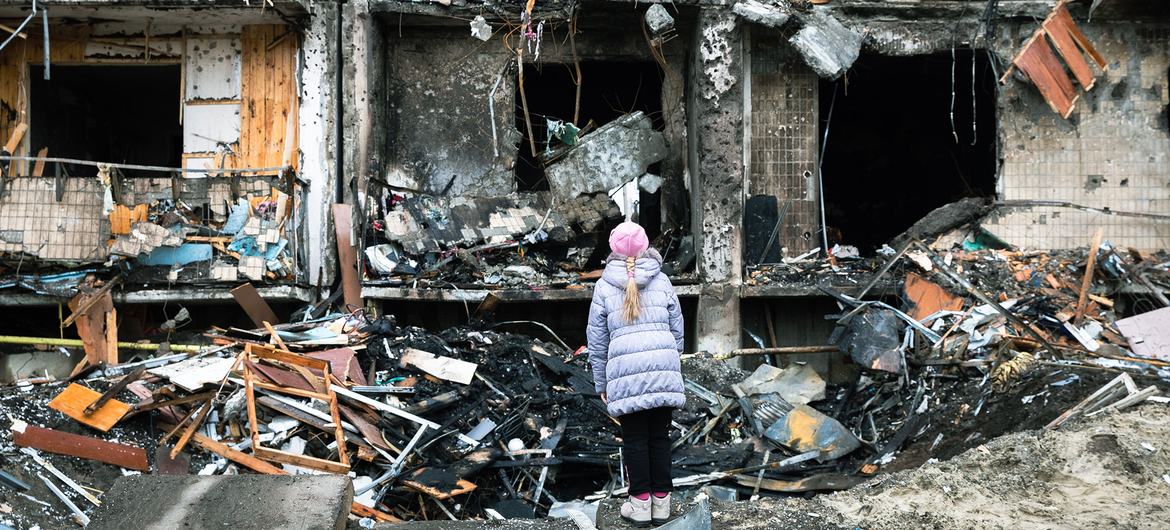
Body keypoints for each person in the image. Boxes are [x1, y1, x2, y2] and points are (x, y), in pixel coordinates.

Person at [587, 221, 685, 527]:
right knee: (660, 436)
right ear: (645, 247)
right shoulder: (663, 281)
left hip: (624, 374)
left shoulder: (604, 285)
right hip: (663, 368)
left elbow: (597, 341)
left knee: (635, 440)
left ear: (613, 250)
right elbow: (678, 331)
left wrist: (601, 382)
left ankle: (640, 505)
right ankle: (662, 505)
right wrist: (669, 362)